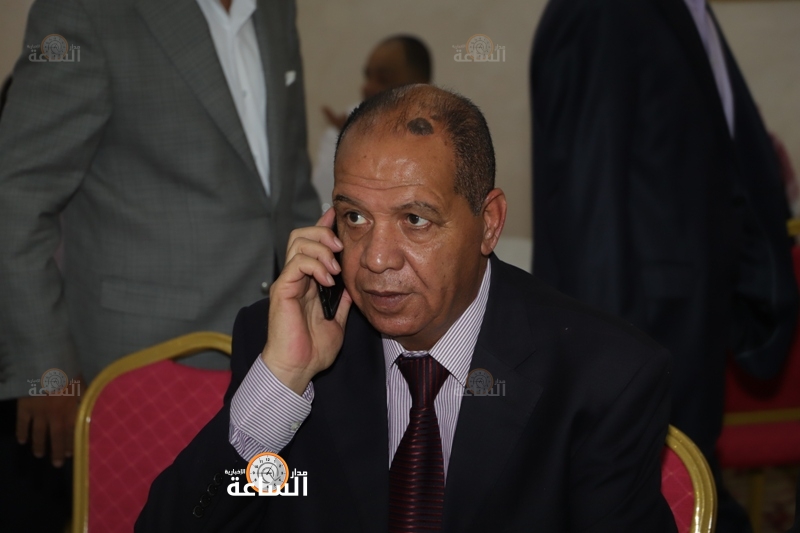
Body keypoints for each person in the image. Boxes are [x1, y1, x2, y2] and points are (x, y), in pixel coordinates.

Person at [137, 85, 677, 532]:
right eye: (354, 217)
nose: (375, 258)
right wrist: (281, 382)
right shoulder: (287, 342)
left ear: (489, 223)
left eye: (415, 220)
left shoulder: (602, 376)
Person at [0, 0, 318, 528]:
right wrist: (44, 367)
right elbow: (17, 196)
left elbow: (292, 187)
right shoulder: (89, 11)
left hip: (274, 362)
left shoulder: (276, 9)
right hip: (136, 369)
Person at [530, 0, 798, 529]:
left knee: (694, 505)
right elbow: (591, 208)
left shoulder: (684, 11)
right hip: (644, 340)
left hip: (689, 329)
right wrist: (608, 374)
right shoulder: (603, 12)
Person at [312, 35, 431, 205]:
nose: (367, 87)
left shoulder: (446, 135)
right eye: (368, 76)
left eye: (383, 79)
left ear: (420, 85)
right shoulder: (347, 127)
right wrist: (349, 144)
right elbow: (323, 202)